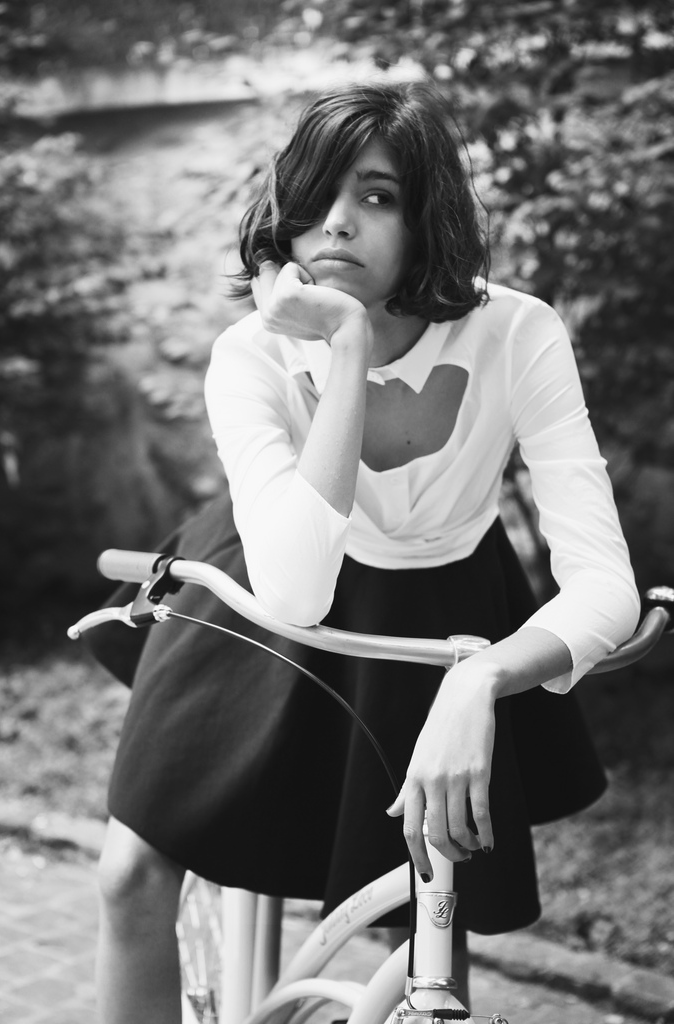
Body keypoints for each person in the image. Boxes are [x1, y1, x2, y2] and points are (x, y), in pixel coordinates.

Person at [93, 77, 640, 1023]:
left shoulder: (517, 332)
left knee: (427, 912)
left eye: (377, 196)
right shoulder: (251, 354)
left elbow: (605, 584)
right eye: (316, 199)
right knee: (131, 872)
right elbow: (296, 592)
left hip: (441, 599)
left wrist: (479, 680)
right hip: (264, 569)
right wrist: (345, 347)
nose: (338, 223)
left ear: (426, 219)